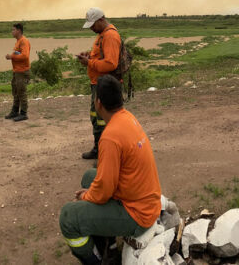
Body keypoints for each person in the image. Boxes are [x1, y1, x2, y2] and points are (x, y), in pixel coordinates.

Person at [59, 75, 162, 264]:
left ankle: (96, 260)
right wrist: (92, 191)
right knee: (90, 176)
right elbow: (104, 183)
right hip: (145, 202)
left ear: (98, 103)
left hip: (137, 215)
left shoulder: (110, 137)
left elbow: (103, 191)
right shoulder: (127, 118)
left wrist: (85, 196)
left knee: (68, 217)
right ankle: (111, 246)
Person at [76, 8, 121, 159]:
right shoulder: (102, 35)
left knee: (104, 121)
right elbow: (100, 56)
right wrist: (89, 56)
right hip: (98, 84)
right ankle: (99, 149)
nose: (92, 29)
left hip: (105, 87)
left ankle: (106, 155)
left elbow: (110, 64)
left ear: (101, 20)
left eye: (93, 25)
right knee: (97, 118)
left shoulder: (110, 36)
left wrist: (89, 62)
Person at [5, 23, 31, 122]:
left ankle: (23, 113)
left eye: (13, 30)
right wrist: (11, 56)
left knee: (21, 92)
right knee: (15, 92)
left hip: (22, 71)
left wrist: (11, 56)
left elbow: (25, 56)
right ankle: (15, 111)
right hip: (17, 71)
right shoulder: (18, 42)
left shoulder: (24, 41)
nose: (12, 32)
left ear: (19, 31)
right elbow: (18, 54)